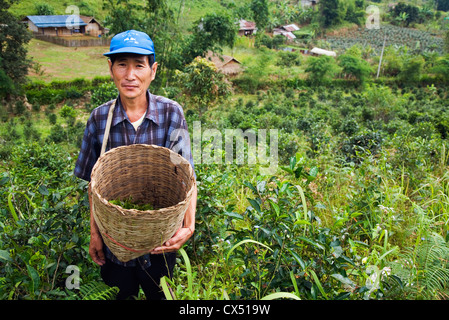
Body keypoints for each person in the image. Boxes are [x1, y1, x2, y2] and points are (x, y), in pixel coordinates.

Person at [74, 30, 197, 300]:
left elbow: (187, 175)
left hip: (160, 242)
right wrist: (95, 233)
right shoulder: (99, 119)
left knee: (159, 294)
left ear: (152, 71)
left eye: (139, 65)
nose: (130, 75)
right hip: (115, 243)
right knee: (121, 293)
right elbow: (92, 187)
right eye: (122, 64)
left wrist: (189, 225)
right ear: (111, 69)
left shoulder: (170, 113)